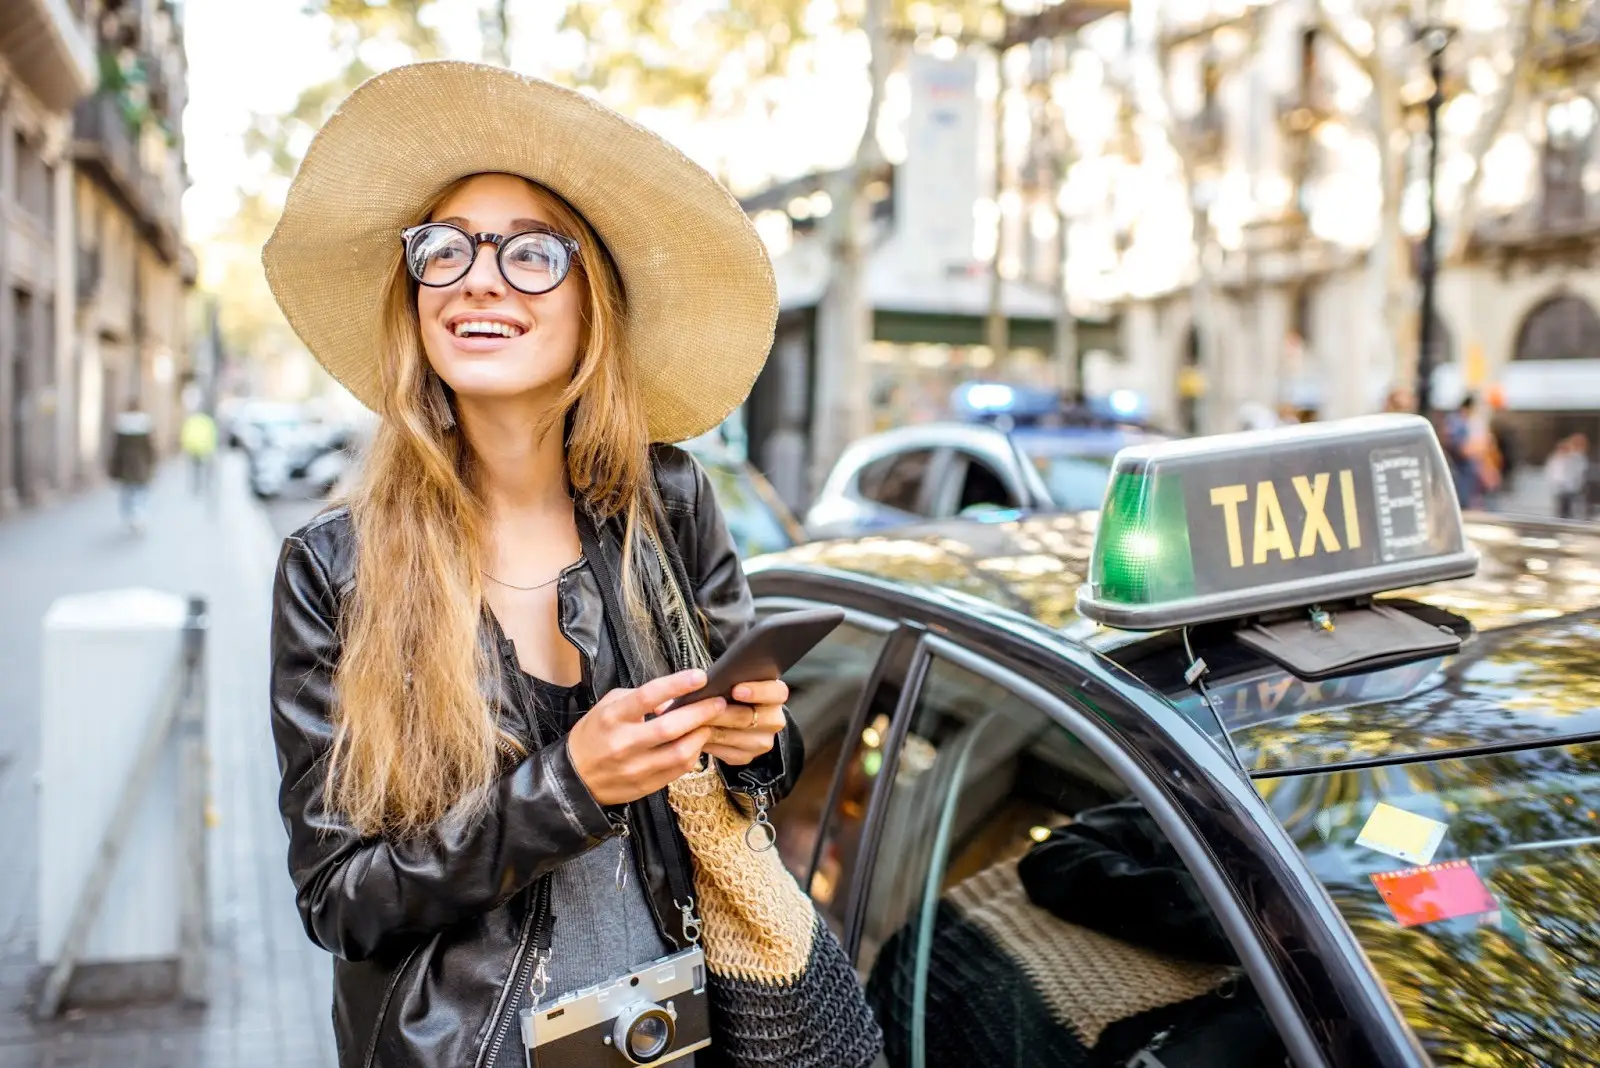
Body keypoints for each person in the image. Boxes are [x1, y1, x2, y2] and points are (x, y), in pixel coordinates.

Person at [265, 63, 801, 1068]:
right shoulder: (329, 569)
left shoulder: (667, 502)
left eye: (528, 256)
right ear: (414, 297)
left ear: (591, 302)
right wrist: (570, 788)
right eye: (444, 250)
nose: (476, 278)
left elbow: (767, 761)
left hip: (690, 1035)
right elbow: (340, 900)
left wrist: (755, 740)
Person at [108, 400, 156, 534]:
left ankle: (128, 516)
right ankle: (140, 516)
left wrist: (114, 465)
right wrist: (152, 463)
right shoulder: (145, 424)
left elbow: (116, 448)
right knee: (141, 491)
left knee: (127, 491)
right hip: (141, 464)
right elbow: (150, 448)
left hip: (126, 464)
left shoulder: (122, 424)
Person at [1546, 433, 1590, 520]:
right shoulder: (1558, 458)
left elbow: (1580, 471)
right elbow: (1552, 471)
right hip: (1561, 487)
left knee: (1570, 509)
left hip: (1571, 488)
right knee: (1562, 509)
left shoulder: (1577, 458)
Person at [179, 408, 218, 498]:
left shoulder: (191, 421)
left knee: (196, 470)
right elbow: (213, 435)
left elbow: (185, 435)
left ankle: (197, 487)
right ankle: (205, 487)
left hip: (193, 449)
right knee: (205, 470)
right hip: (205, 449)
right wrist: (212, 448)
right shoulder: (207, 421)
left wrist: (185, 448)